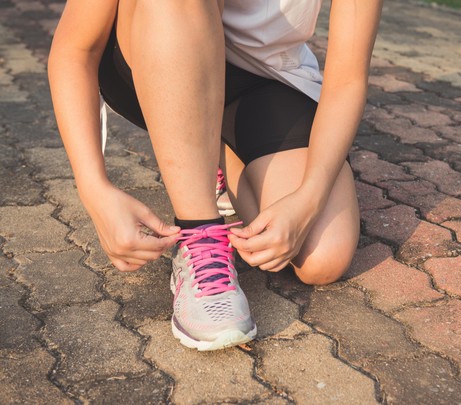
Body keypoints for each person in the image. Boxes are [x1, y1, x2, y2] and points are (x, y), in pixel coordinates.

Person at [48, 0, 383, 350]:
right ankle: (200, 235)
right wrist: (94, 188)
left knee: (321, 256)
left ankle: (209, 152)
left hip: (265, 78)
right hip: (155, 44)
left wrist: (309, 198)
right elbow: (75, 49)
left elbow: (347, 79)